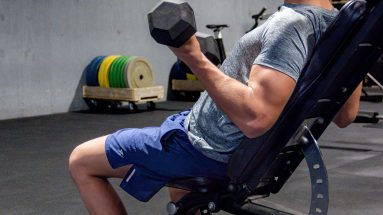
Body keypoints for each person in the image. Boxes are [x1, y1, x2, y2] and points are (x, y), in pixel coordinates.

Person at [69, 0, 362, 214]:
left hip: (201, 148)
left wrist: (192, 57)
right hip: (216, 143)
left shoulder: (292, 26)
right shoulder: (336, 24)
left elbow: (256, 118)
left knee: (82, 161)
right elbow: (346, 114)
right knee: (182, 194)